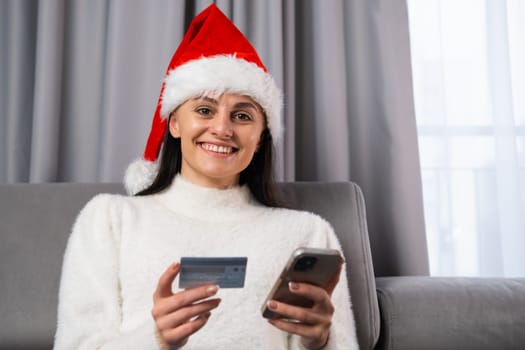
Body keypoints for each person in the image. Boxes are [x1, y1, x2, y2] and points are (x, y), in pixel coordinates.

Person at [53, 4, 358, 350]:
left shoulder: (308, 232)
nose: (222, 128)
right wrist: (155, 340)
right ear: (175, 122)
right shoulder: (110, 219)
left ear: (260, 139)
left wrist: (320, 341)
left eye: (242, 116)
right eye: (204, 110)